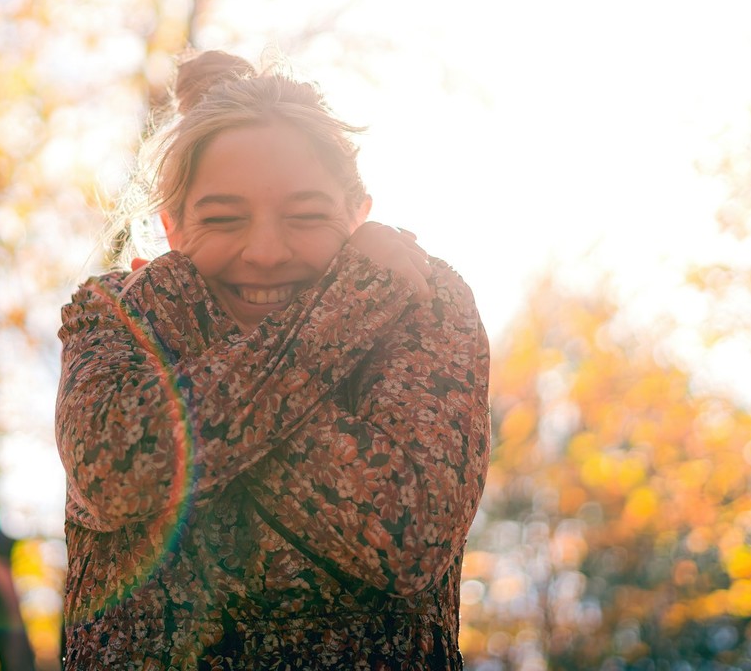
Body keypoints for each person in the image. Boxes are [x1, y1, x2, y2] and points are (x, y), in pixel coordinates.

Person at [55, 50, 491, 669]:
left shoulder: (421, 301)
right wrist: (348, 305)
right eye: (224, 219)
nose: (264, 252)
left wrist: (188, 329)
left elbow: (406, 536)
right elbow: (112, 468)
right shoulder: (114, 313)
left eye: (306, 216)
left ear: (358, 216)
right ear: (172, 229)